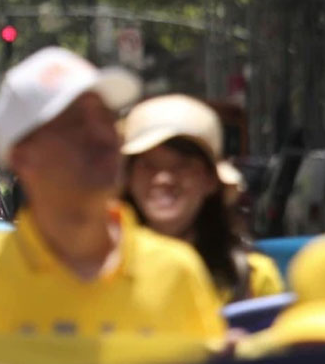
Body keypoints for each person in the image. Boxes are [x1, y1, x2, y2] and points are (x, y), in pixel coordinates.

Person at [0, 48, 226, 364]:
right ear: (22, 157)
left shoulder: (178, 272)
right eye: (74, 123)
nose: (103, 136)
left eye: (106, 116)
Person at [122, 94, 285, 304]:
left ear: (211, 181)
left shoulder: (251, 278)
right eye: (148, 165)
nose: (163, 179)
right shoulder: (100, 272)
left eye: (182, 166)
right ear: (128, 179)